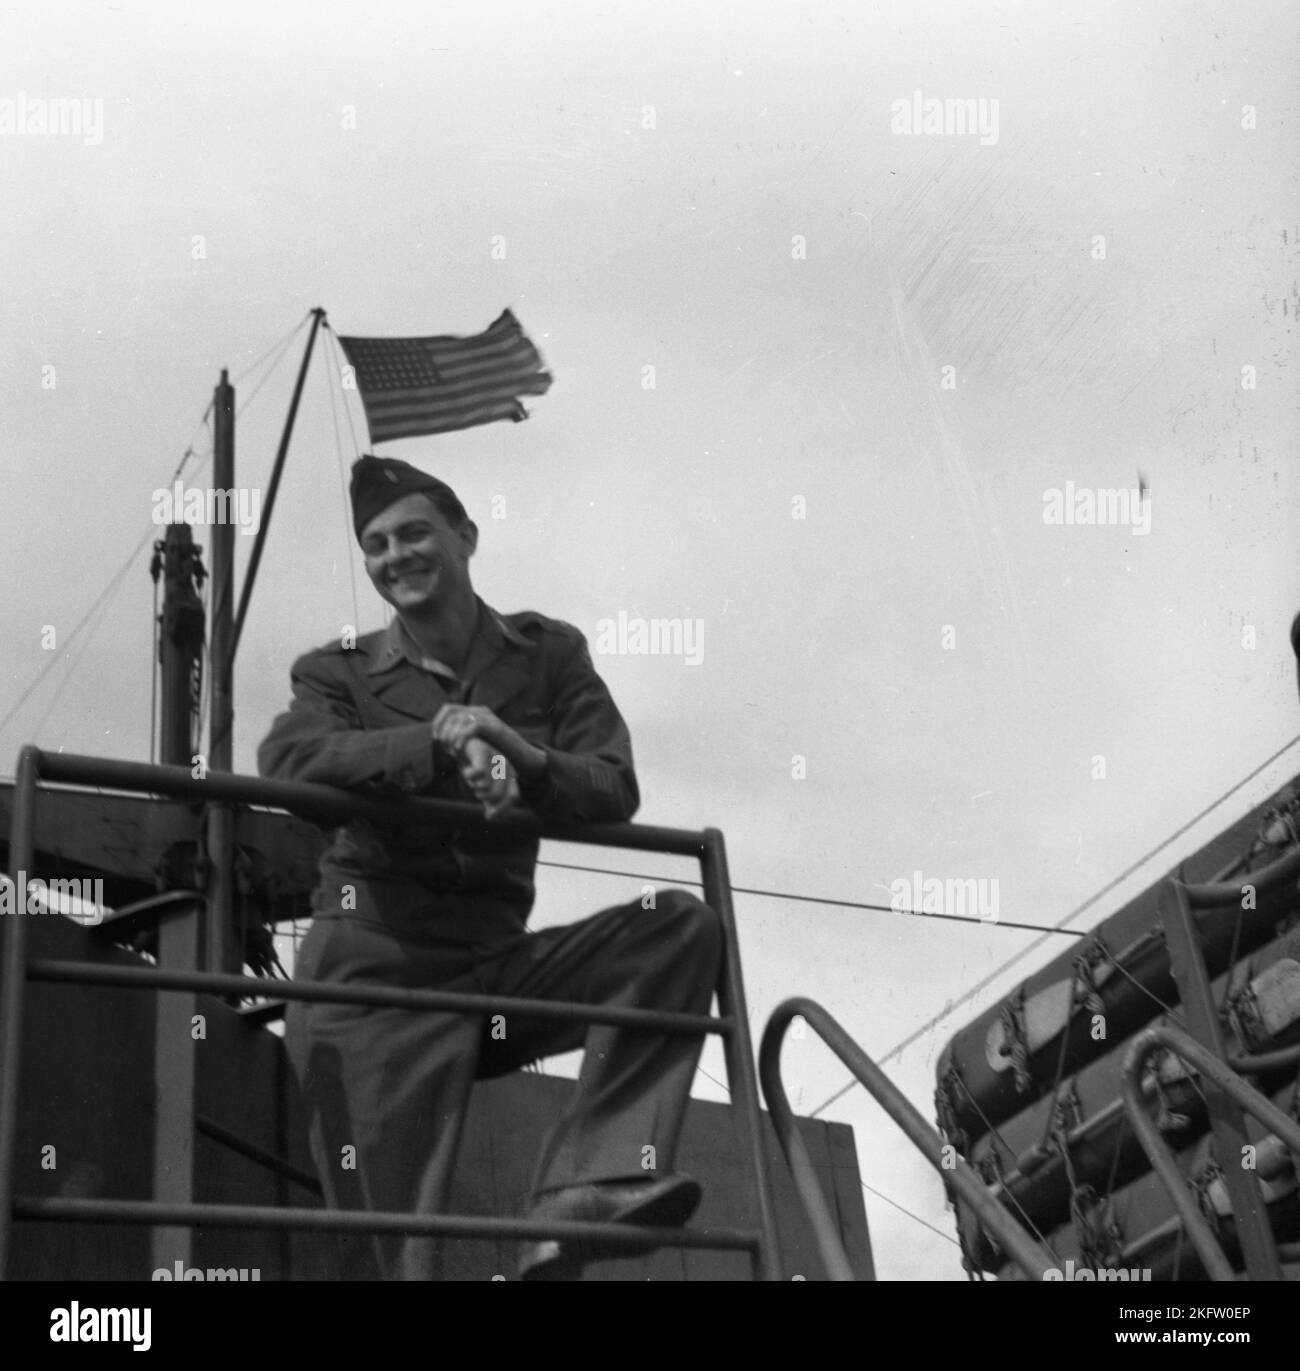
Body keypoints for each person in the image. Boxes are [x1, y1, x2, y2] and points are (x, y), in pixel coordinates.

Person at [257, 454, 721, 1281]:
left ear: (466, 537)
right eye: (376, 543)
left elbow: (613, 783)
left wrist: (523, 754)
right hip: (371, 984)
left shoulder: (547, 654)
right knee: (388, 1263)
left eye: (414, 533)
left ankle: (588, 1188)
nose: (394, 555)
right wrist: (437, 740)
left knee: (677, 928)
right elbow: (294, 765)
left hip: (493, 964)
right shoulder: (337, 671)